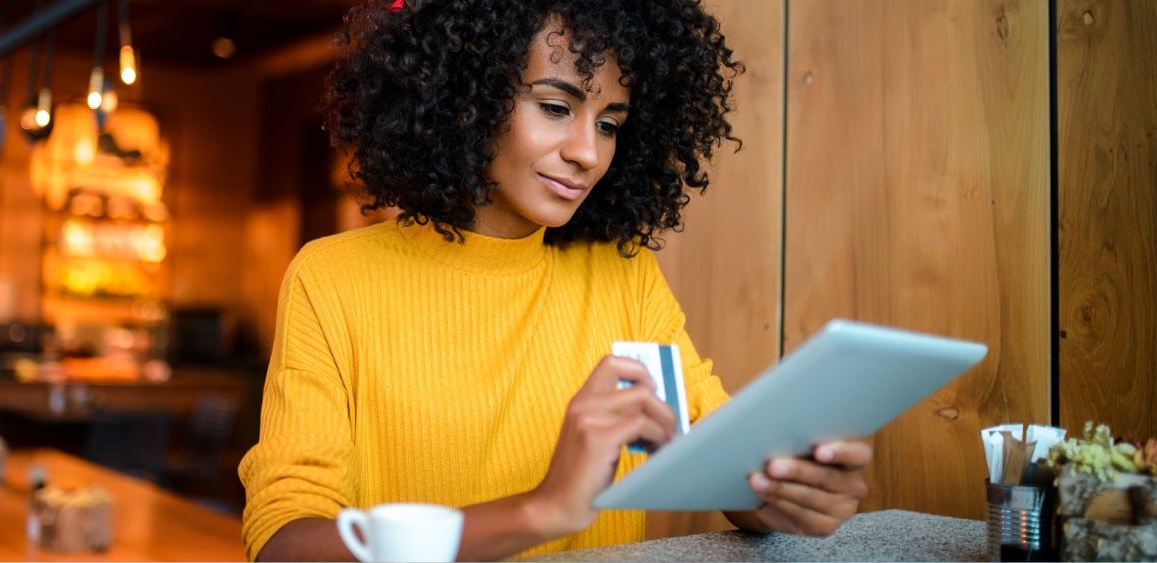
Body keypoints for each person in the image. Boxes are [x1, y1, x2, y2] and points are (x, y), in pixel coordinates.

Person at [239, 0, 872, 560]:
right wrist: (540, 510)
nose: (588, 153)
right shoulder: (333, 279)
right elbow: (286, 542)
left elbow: (717, 460)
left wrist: (789, 489)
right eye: (554, 106)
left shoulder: (622, 274)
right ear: (466, 99)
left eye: (608, 123)